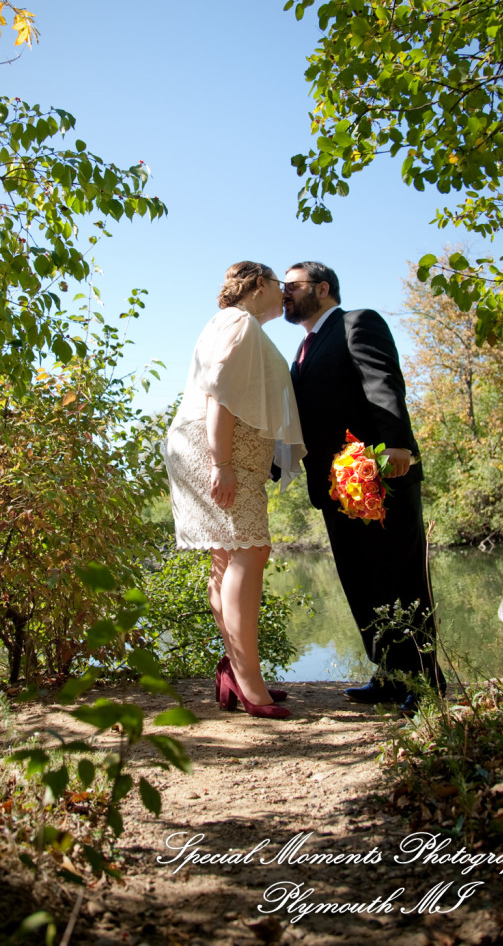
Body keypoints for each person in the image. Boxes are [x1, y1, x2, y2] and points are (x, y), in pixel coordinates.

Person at [283, 261, 445, 716]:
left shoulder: (357, 323)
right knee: (361, 582)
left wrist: (397, 444)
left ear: (322, 287)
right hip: (335, 490)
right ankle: (391, 675)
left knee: (401, 578)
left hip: (380, 476)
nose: (283, 294)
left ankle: (427, 679)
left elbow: (383, 384)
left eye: (290, 286)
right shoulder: (302, 348)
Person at [165, 262, 306, 719]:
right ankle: (249, 683)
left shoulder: (229, 323)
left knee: (227, 555)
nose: (285, 294)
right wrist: (222, 463)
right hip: (222, 452)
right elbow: (220, 393)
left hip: (220, 450)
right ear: (259, 285)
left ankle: (237, 671)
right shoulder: (240, 322)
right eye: (279, 286)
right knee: (251, 550)